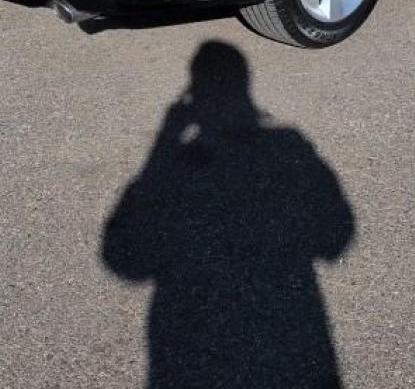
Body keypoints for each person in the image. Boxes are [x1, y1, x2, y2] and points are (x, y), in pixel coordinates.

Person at [102, 41, 355, 388]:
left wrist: (163, 148)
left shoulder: (178, 166)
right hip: (291, 346)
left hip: (190, 358)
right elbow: (335, 236)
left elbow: (126, 259)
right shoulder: (288, 146)